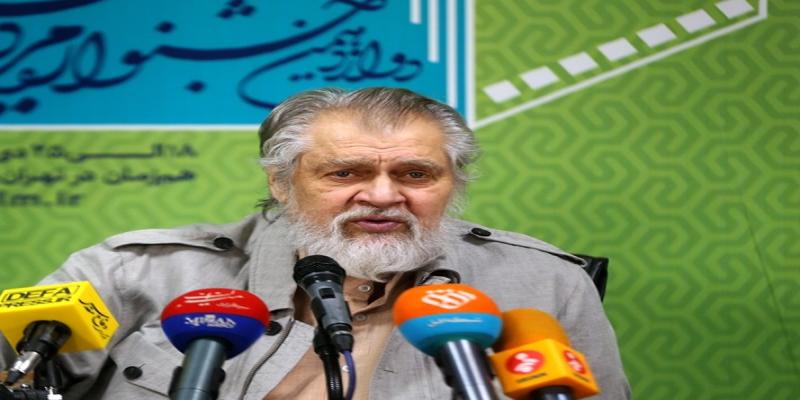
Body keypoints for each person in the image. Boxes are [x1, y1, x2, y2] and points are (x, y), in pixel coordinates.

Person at [0, 87, 630, 399]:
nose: (382, 195)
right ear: (281, 181)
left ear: (453, 183)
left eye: (415, 174)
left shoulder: (545, 284)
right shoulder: (134, 273)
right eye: (345, 172)